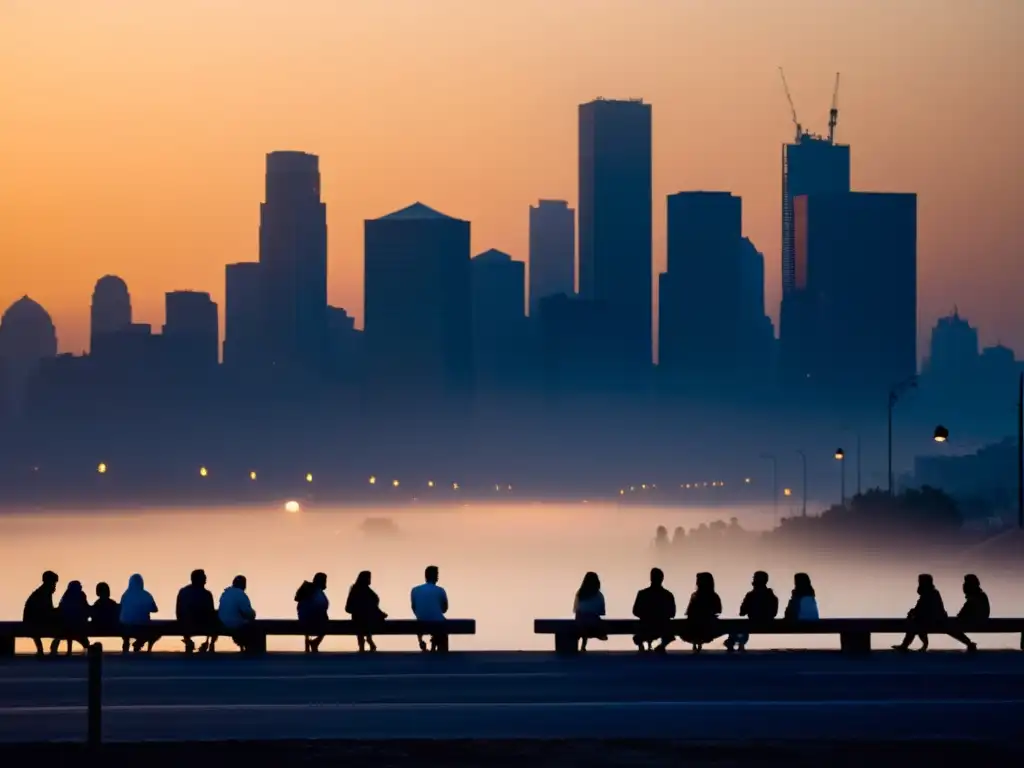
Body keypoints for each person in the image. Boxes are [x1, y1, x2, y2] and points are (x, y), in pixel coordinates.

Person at [725, 571, 779, 652]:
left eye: (754, 578)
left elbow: (742, 612)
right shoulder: (772, 596)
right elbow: (774, 613)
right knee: (742, 625)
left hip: (753, 623)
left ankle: (734, 642)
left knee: (736, 625)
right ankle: (739, 643)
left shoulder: (751, 595)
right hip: (769, 623)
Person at [893, 574, 947, 652]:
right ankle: (907, 645)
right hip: (931, 620)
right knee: (916, 623)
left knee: (916, 624)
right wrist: (914, 611)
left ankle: (907, 645)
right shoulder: (928, 593)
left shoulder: (930, 594)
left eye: (920, 582)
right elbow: (921, 608)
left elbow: (927, 609)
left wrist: (915, 612)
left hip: (935, 621)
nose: (919, 583)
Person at [631, 567, 676, 652]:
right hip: (663, 626)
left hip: (645, 626)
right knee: (669, 626)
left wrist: (646, 615)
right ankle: (662, 646)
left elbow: (635, 611)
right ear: (662, 579)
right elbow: (672, 613)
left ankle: (641, 645)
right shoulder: (668, 595)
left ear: (651, 578)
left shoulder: (642, 594)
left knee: (641, 627)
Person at [176, 569, 218, 654]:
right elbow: (210, 611)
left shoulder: (183, 591)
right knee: (217, 616)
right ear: (199, 579)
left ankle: (188, 640)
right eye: (204, 577)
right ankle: (210, 643)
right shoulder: (206, 594)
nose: (206, 578)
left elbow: (178, 609)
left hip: (184, 622)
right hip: (201, 623)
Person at [345, 570, 387, 652]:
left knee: (360, 622)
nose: (370, 580)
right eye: (369, 578)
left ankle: (363, 643)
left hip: (358, 619)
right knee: (365, 620)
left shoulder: (355, 590)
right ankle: (369, 640)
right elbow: (372, 607)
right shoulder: (367, 592)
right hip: (366, 619)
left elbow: (348, 608)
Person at [680, 572, 722, 652]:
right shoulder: (714, 596)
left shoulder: (695, 596)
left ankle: (695, 643)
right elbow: (718, 610)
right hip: (709, 627)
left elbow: (689, 611)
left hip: (693, 627)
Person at [948, 574, 989, 652]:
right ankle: (968, 643)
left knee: (950, 626)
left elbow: (965, 612)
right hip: (979, 621)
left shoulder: (975, 597)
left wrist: (961, 617)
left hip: (974, 622)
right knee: (951, 625)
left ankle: (969, 643)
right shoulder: (980, 595)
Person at [411, 565, 448, 652]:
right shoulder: (440, 590)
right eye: (437, 575)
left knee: (419, 621)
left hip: (421, 623)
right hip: (438, 623)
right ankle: (443, 653)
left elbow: (414, 608)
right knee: (443, 625)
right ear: (435, 577)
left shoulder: (415, 590)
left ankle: (421, 642)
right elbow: (444, 609)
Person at [23, 571, 60, 656]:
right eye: (54, 583)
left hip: (34, 620)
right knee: (62, 622)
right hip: (35, 621)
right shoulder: (44, 593)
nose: (55, 586)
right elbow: (46, 610)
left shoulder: (43, 592)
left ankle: (41, 649)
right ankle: (49, 648)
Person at [120, 573, 160, 652]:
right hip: (143, 626)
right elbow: (155, 609)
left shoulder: (125, 595)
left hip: (126, 626)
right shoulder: (146, 595)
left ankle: (128, 645)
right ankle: (140, 642)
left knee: (127, 631)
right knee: (157, 630)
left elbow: (121, 609)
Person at [218, 575, 258, 652]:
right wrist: (253, 614)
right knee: (255, 627)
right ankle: (252, 651)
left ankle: (243, 646)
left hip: (222, 623)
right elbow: (247, 612)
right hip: (235, 624)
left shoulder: (225, 593)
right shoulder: (241, 595)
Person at [295, 572, 329, 653]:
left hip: (304, 617)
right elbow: (320, 606)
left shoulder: (309, 589)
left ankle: (311, 644)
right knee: (328, 625)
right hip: (313, 619)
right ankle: (315, 643)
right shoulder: (316, 591)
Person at [573, 571, 607, 652]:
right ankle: (597, 634)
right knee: (593, 622)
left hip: (580, 620)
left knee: (583, 623)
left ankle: (582, 645)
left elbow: (576, 608)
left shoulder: (580, 593)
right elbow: (601, 611)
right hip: (592, 621)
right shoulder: (598, 595)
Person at [57, 580, 91, 655]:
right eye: (79, 586)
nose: (81, 587)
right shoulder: (80, 595)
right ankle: (86, 646)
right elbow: (86, 608)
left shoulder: (66, 596)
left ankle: (70, 650)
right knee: (76, 634)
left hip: (69, 624)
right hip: (77, 625)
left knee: (69, 632)